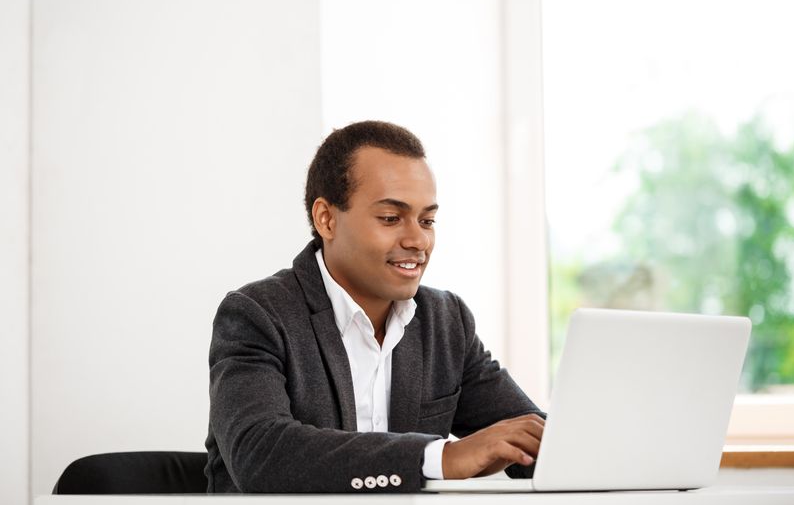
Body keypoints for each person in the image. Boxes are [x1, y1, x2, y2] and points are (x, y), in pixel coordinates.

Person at [204, 120, 546, 493]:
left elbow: (529, 435)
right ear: (327, 219)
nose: (418, 240)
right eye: (390, 218)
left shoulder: (446, 322)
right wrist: (440, 458)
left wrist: (572, 449)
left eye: (427, 220)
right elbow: (262, 455)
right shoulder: (258, 315)